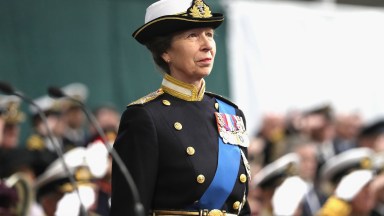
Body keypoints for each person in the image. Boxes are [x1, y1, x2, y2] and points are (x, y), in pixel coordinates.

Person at [110, 0, 251, 215]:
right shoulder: (145, 117)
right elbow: (128, 209)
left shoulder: (231, 113)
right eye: (193, 35)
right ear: (165, 52)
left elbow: (241, 205)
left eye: (210, 34)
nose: (207, 45)